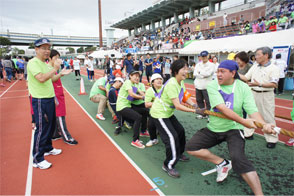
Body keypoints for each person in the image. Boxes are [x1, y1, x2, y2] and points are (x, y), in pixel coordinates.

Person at [186, 60, 276, 195]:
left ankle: (259, 194)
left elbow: (252, 111)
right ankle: (222, 163)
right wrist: (244, 121)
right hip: (214, 127)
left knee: (239, 160)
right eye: (217, 71)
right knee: (191, 148)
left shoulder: (243, 87)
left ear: (233, 73)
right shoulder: (212, 85)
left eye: (222, 71)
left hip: (234, 128)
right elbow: (221, 108)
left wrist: (264, 125)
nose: (218, 74)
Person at [150, 59, 195, 178]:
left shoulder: (181, 82)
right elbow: (178, 105)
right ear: (176, 71)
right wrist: (195, 110)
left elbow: (185, 96)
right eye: (184, 69)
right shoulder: (171, 83)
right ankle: (168, 165)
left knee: (180, 131)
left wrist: (195, 105)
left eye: (187, 68)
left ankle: (179, 154)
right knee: (171, 137)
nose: (186, 71)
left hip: (167, 113)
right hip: (159, 113)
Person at [27, 38, 62, 169]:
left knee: (50, 126)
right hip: (40, 100)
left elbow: (52, 78)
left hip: (49, 98)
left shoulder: (46, 64)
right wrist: (55, 68)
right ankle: (37, 158)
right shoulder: (33, 63)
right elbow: (41, 78)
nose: (47, 51)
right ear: (36, 49)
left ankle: (47, 148)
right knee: (41, 129)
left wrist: (61, 73)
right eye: (43, 48)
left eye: (48, 48)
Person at [239, 47, 280, 148]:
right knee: (250, 114)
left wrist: (260, 84)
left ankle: (272, 139)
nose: (255, 57)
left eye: (258, 55)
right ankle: (248, 133)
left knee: (268, 116)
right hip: (253, 92)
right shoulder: (255, 66)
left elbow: (274, 84)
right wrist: (234, 73)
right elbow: (246, 77)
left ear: (266, 55)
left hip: (266, 94)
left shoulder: (274, 68)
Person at [48, 50, 78, 145]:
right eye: (56, 58)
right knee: (60, 115)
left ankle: (55, 134)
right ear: (50, 58)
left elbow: (54, 78)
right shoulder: (49, 68)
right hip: (55, 94)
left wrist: (61, 73)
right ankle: (67, 137)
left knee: (56, 115)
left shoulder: (53, 67)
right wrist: (61, 74)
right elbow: (52, 79)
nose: (58, 60)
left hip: (57, 93)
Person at [116, 70, 147, 149]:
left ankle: (143, 131)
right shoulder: (127, 82)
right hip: (122, 106)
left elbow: (142, 93)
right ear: (130, 76)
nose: (137, 78)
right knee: (138, 117)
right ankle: (135, 140)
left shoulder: (135, 85)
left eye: (138, 76)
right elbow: (131, 94)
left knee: (144, 112)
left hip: (128, 106)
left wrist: (149, 98)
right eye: (135, 76)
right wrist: (142, 97)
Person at [193, 51, 215, 119]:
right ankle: (202, 114)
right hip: (198, 85)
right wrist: (202, 74)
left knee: (208, 101)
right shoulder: (198, 65)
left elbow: (208, 74)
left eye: (205, 56)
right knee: (199, 100)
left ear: (208, 56)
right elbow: (195, 74)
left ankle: (209, 115)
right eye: (202, 56)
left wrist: (199, 72)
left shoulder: (212, 65)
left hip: (206, 86)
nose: (204, 57)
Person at [144, 73, 163, 147]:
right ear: (152, 82)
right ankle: (153, 139)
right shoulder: (149, 91)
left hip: (164, 113)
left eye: (160, 79)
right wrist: (158, 102)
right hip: (154, 112)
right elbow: (146, 104)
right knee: (150, 125)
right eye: (157, 79)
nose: (159, 80)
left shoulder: (165, 88)